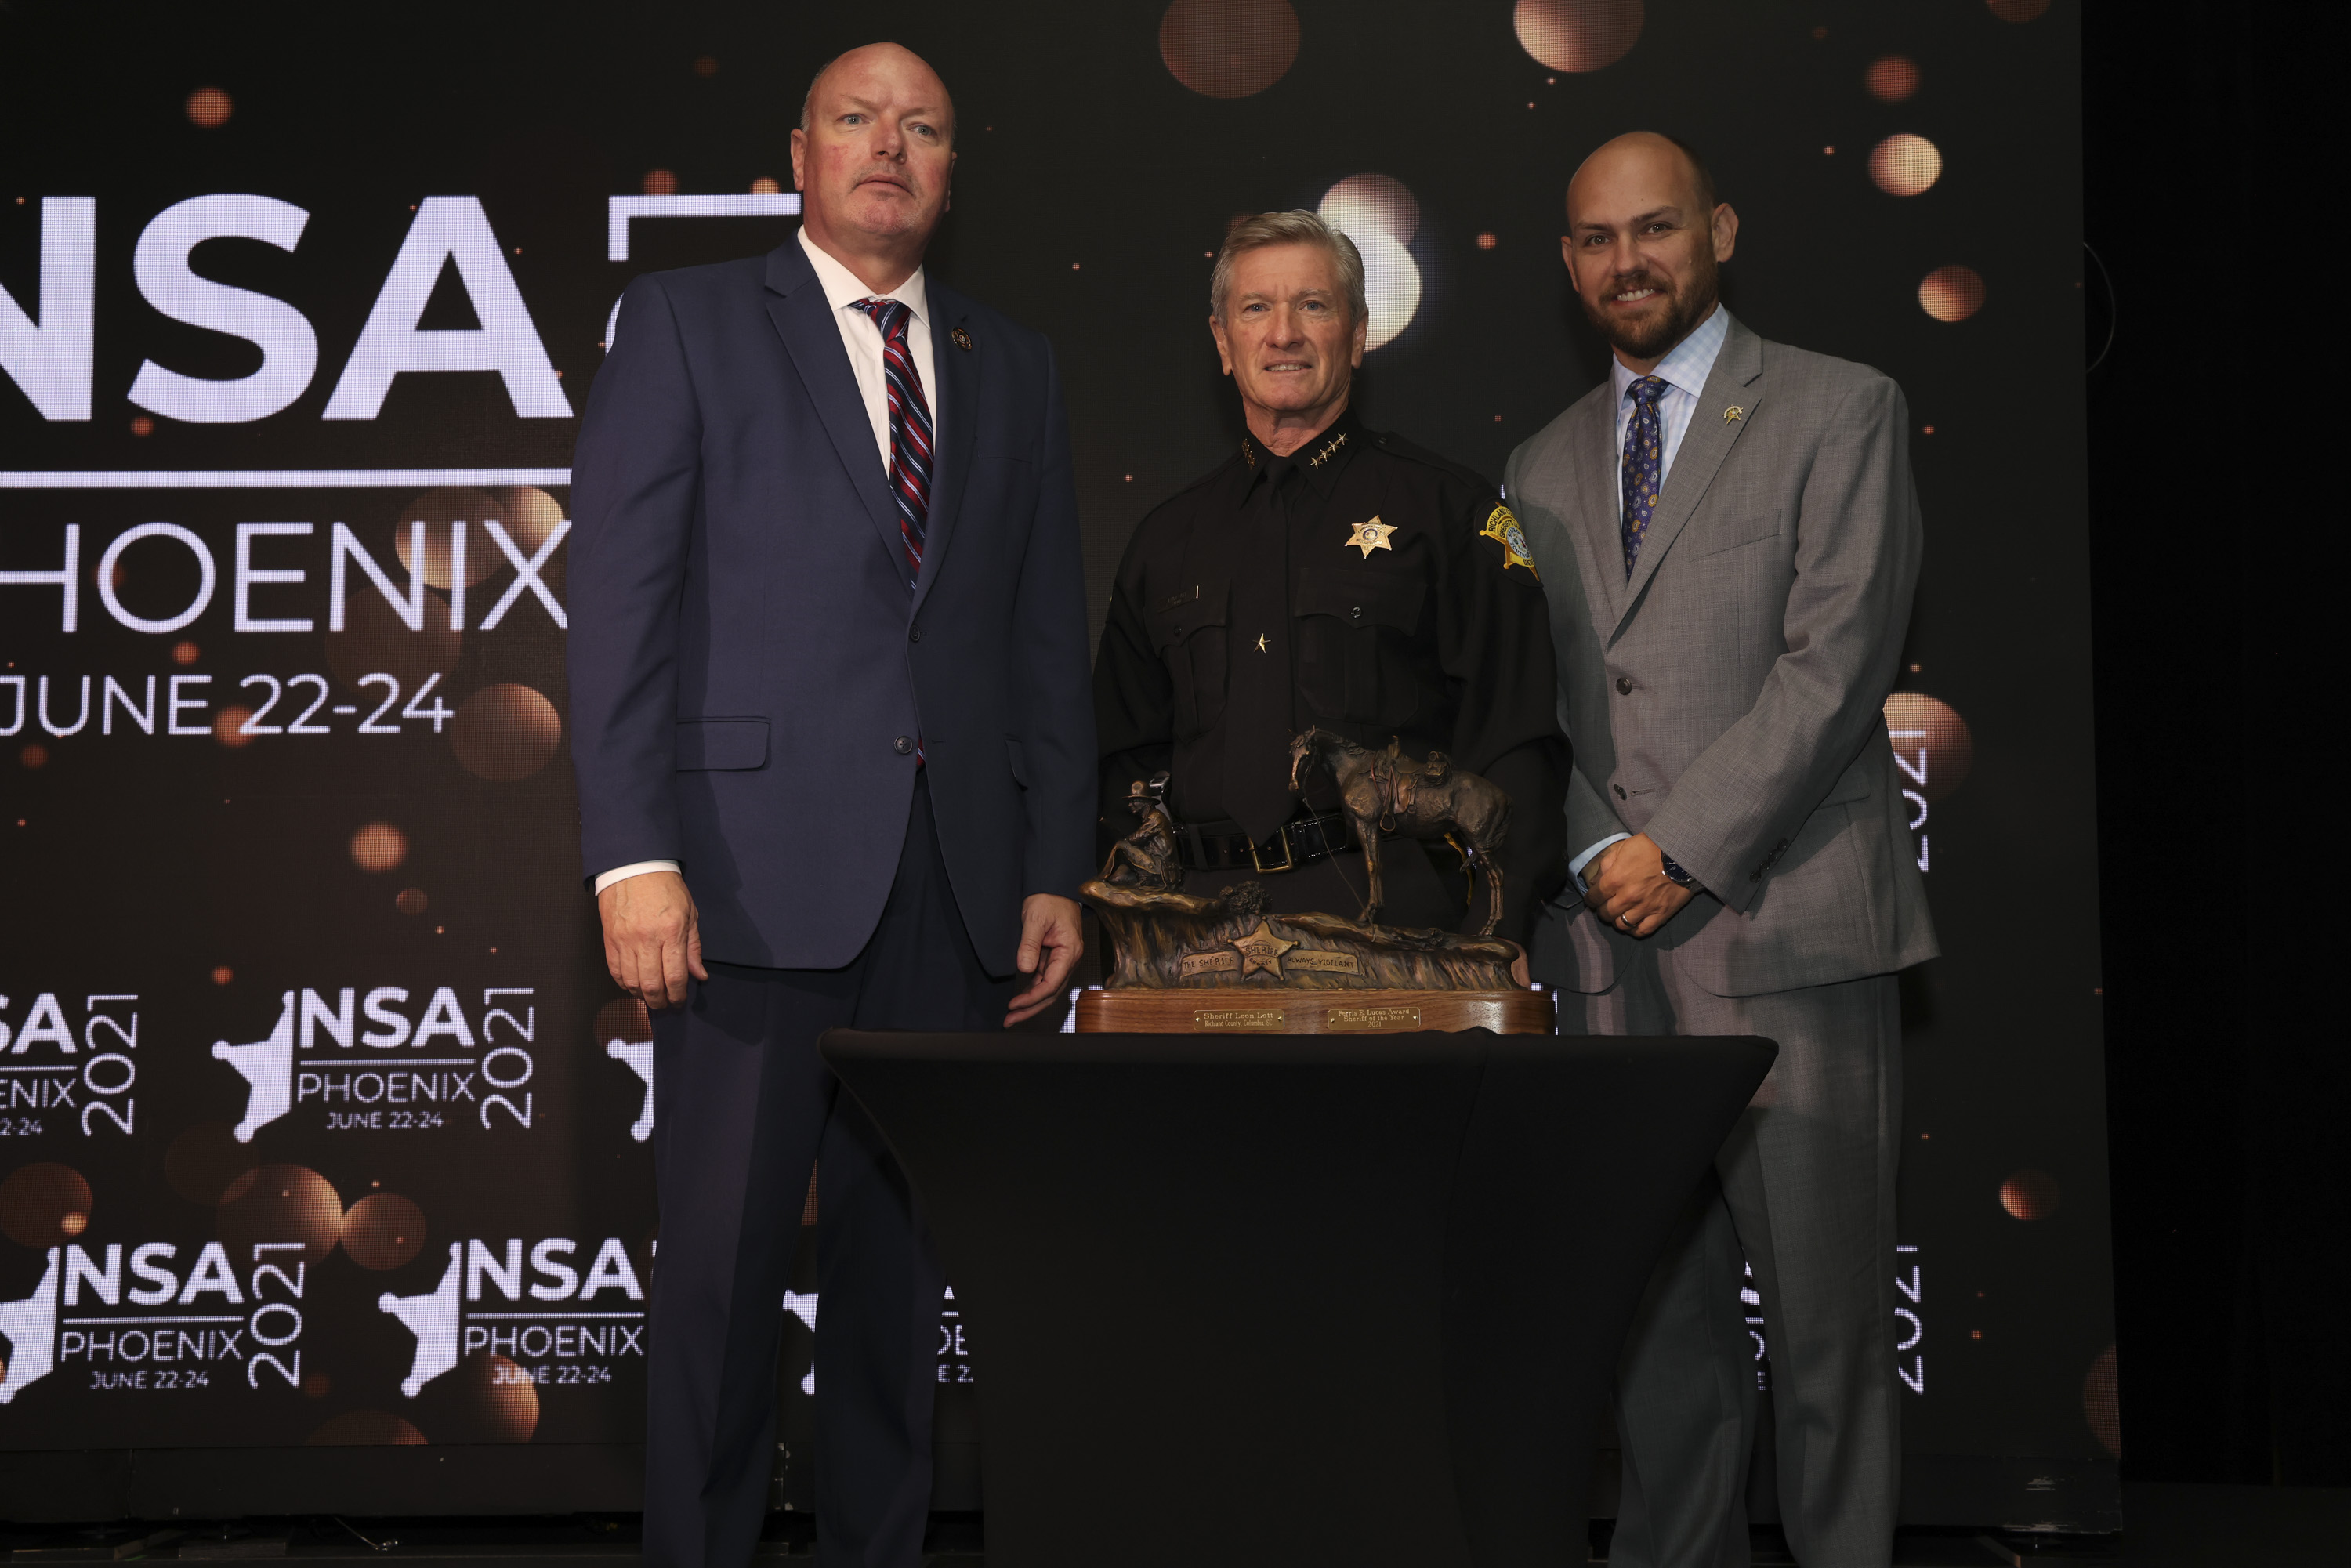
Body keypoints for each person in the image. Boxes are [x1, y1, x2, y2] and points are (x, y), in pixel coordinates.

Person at [566, 43, 1094, 1568]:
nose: (889, 147)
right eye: (857, 120)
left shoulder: (1014, 360)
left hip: (956, 887)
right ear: (799, 153)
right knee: (720, 1285)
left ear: (951, 169)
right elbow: (620, 609)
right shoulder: (686, 323)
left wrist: (1054, 864)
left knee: (898, 1295)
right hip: (741, 882)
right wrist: (632, 855)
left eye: (922, 127)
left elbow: (1042, 634)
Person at [1504, 133, 1936, 1568]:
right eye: (1596, 238)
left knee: (1826, 1341)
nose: (1627, 260)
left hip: (1788, 936)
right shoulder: (1538, 462)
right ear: (1568, 263)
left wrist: (1678, 848)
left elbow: (1837, 664)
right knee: (1655, 1343)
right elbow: (1536, 702)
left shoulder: (1840, 407)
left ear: (1721, 231)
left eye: (1656, 227)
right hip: (1605, 958)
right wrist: (1594, 852)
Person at [1094, 210, 1565, 950]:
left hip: (1396, 927)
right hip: (1200, 932)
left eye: (1313, 305)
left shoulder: (1450, 512)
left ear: (1358, 333)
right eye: (1256, 308)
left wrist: (1493, 938)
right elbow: (1120, 763)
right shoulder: (1165, 541)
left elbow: (1517, 743)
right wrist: (1138, 932)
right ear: (1222, 341)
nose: (1283, 333)